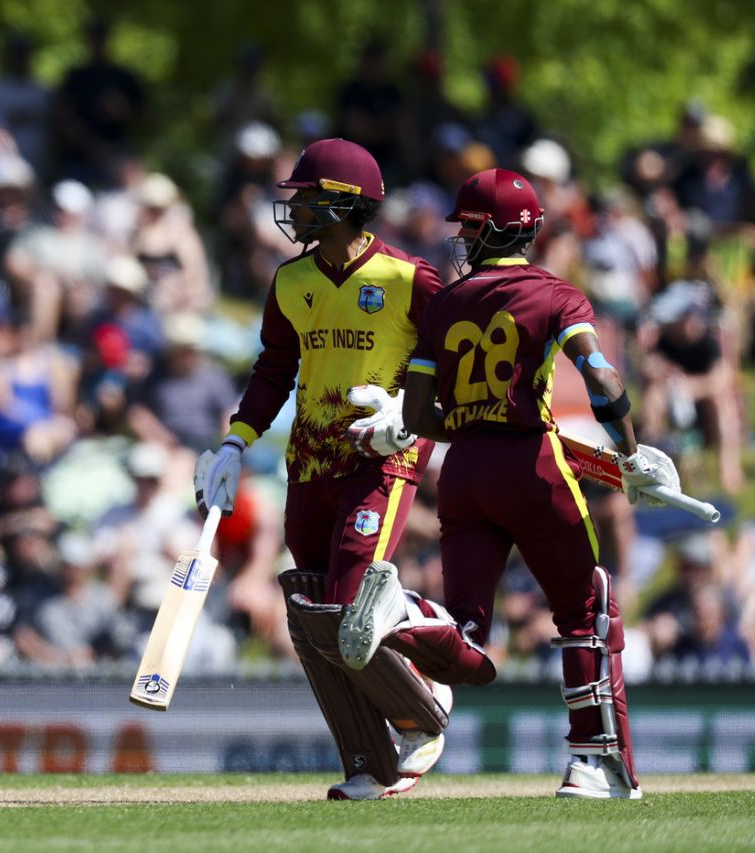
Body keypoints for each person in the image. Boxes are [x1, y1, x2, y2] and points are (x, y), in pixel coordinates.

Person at [338, 168, 684, 800]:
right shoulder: (555, 295)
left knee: (467, 635)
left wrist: (474, 423)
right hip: (532, 463)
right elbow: (604, 382)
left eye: (469, 225)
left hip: (463, 469)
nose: (462, 237)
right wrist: (631, 453)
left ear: (498, 229)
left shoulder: (445, 302)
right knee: (587, 612)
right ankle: (592, 764)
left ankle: (406, 612)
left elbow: (417, 417)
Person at [192, 138, 450, 800]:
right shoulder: (291, 280)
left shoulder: (408, 278)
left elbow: (451, 362)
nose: (295, 209)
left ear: (342, 204)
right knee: (310, 612)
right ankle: (369, 760)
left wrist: (405, 409)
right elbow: (274, 369)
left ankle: (424, 699)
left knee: (342, 603)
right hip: (309, 461)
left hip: (380, 457)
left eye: (307, 198)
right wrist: (235, 443)